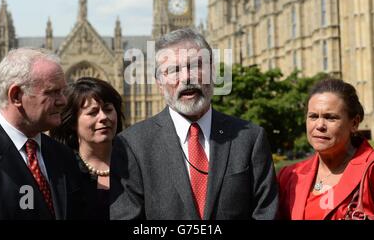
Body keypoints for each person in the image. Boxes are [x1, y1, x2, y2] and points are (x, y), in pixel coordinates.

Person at [110, 28, 278, 220]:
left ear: (212, 71)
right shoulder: (131, 145)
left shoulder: (250, 138)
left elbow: (266, 213)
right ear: (159, 82)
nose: (187, 77)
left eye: (196, 66)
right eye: (173, 70)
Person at [0, 48, 84, 220]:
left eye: (63, 91)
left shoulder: (63, 155)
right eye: (52, 92)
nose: (63, 101)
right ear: (16, 95)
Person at [277, 78, 374, 220]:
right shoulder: (290, 176)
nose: (320, 125)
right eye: (313, 116)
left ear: (354, 123)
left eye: (331, 118)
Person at [50, 77, 124, 220]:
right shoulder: (59, 171)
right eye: (93, 112)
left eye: (108, 109)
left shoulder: (135, 163)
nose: (103, 117)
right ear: (72, 122)